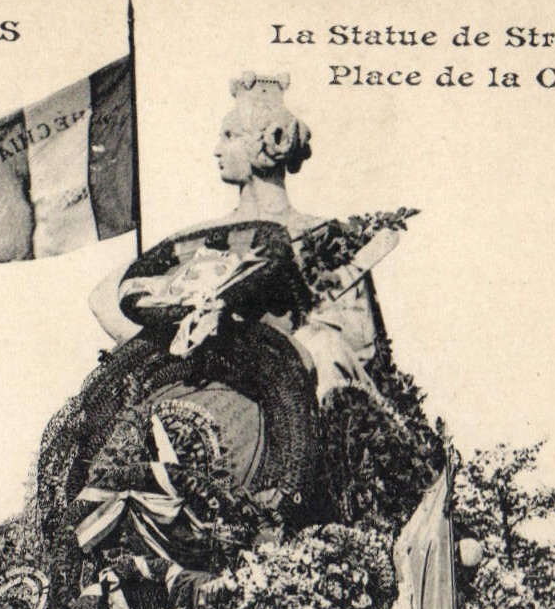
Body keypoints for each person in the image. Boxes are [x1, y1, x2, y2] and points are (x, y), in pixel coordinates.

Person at [90, 72, 403, 402]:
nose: (216, 150)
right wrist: (165, 355)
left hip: (300, 399)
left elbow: (359, 348)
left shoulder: (323, 236)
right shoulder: (200, 238)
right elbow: (102, 298)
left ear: (268, 143)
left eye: (229, 136)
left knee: (321, 345)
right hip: (221, 403)